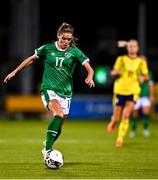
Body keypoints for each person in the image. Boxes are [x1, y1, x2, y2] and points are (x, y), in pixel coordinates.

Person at [3, 22, 95, 163]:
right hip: (49, 89)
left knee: (60, 124)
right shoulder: (47, 48)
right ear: (58, 36)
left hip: (66, 92)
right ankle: (48, 151)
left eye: (69, 39)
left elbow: (90, 68)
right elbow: (31, 59)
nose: (66, 42)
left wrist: (89, 76)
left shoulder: (75, 51)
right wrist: (15, 71)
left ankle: (46, 145)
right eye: (63, 38)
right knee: (58, 114)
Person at [107, 39, 149, 148]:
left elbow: (146, 76)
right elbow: (112, 73)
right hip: (120, 90)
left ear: (137, 48)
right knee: (117, 117)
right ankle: (113, 121)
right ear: (127, 48)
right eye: (130, 46)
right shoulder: (121, 59)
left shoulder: (141, 61)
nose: (132, 48)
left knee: (126, 114)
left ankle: (119, 139)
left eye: (134, 46)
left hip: (133, 91)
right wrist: (114, 73)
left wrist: (142, 78)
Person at [129, 56, 155, 138]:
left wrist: (152, 95)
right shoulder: (135, 72)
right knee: (135, 113)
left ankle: (145, 129)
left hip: (145, 96)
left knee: (146, 112)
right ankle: (133, 130)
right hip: (136, 95)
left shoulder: (148, 73)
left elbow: (151, 85)